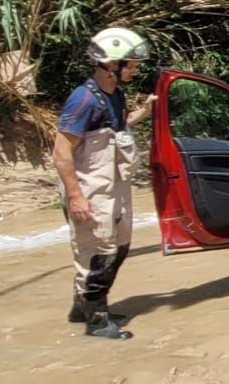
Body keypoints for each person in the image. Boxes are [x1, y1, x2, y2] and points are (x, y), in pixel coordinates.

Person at [53, 27, 154, 340]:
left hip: (113, 185)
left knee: (120, 243)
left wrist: (146, 112)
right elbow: (61, 151)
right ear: (112, 65)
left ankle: (83, 306)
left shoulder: (113, 94)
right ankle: (96, 321)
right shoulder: (83, 100)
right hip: (90, 189)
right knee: (98, 250)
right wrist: (75, 197)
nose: (135, 70)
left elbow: (118, 127)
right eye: (132, 65)